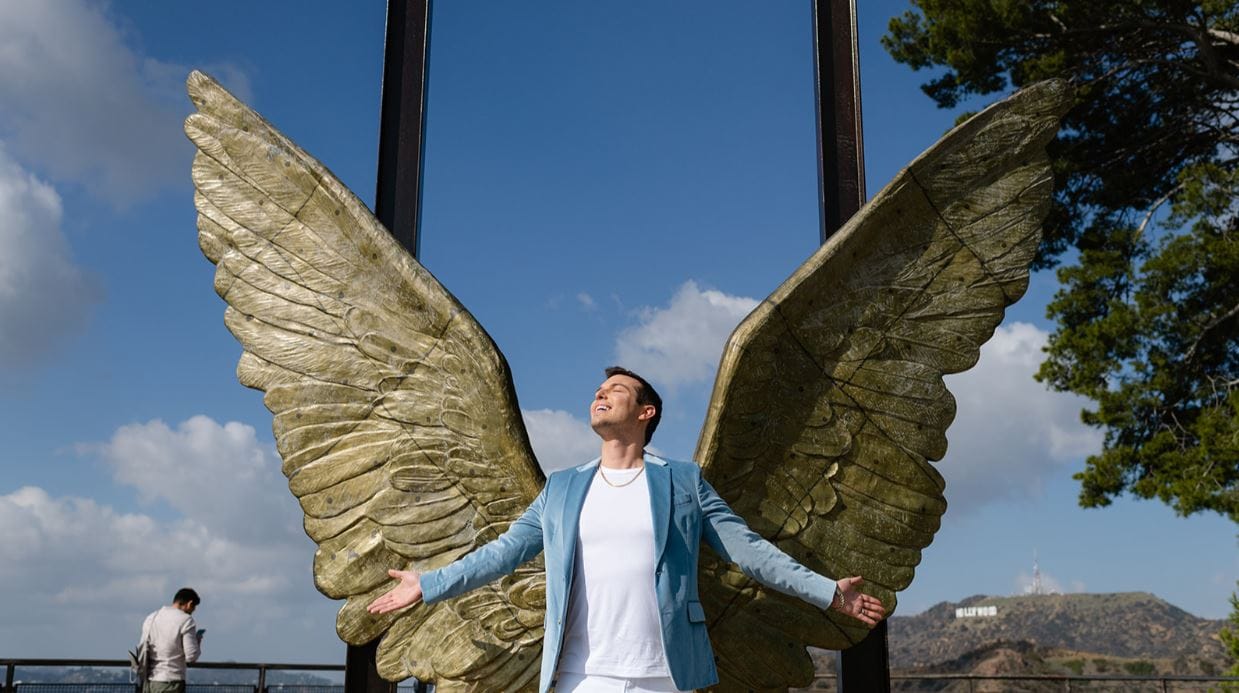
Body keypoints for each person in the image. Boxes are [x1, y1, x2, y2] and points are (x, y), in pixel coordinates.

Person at [369, 367, 886, 693]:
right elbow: (501, 554)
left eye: (615, 389)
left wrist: (826, 592)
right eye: (598, 389)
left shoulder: (683, 483)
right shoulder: (561, 489)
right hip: (579, 676)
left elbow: (748, 551)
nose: (601, 394)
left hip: (665, 676)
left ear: (645, 411)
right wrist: (429, 582)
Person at [137, 588, 203, 693]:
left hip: (150, 682)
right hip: (172, 682)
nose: (192, 612)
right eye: (193, 608)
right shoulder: (186, 620)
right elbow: (191, 656)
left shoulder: (151, 617)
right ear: (190, 604)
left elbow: (142, 647)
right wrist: (197, 641)